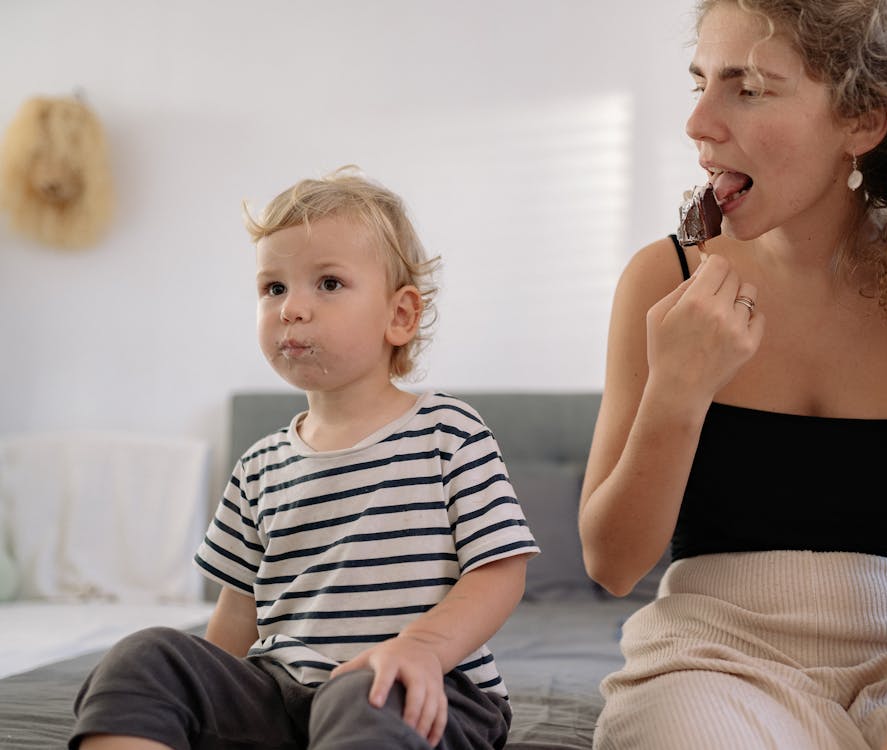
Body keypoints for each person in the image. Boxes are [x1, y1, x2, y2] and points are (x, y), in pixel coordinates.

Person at [579, 1, 887, 748]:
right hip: (710, 661)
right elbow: (611, 565)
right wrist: (677, 391)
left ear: (862, 121)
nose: (698, 124)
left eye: (747, 88)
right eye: (701, 82)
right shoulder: (662, 280)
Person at [71, 167, 539, 750]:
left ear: (400, 315)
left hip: (422, 694)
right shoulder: (259, 466)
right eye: (274, 288)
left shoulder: (449, 432)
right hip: (282, 699)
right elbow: (238, 614)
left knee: (362, 692)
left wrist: (422, 647)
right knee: (146, 654)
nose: (292, 308)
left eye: (329, 284)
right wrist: (207, 694)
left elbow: (500, 571)